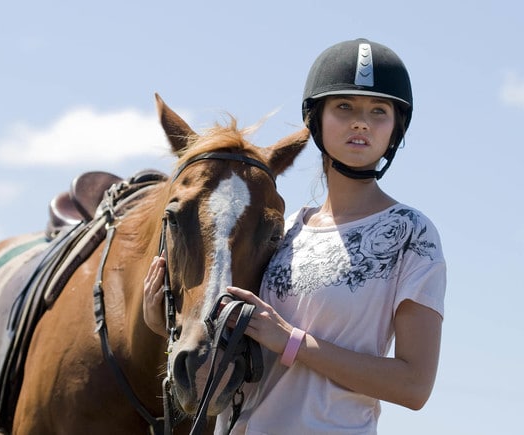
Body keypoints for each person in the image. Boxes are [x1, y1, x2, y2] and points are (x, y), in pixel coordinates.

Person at [143, 38, 446, 434]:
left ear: (395, 127)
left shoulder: (413, 234)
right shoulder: (281, 235)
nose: (361, 122)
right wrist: (163, 325)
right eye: (344, 107)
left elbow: (414, 385)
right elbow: (239, 355)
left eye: (378, 111)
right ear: (315, 120)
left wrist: (291, 341)